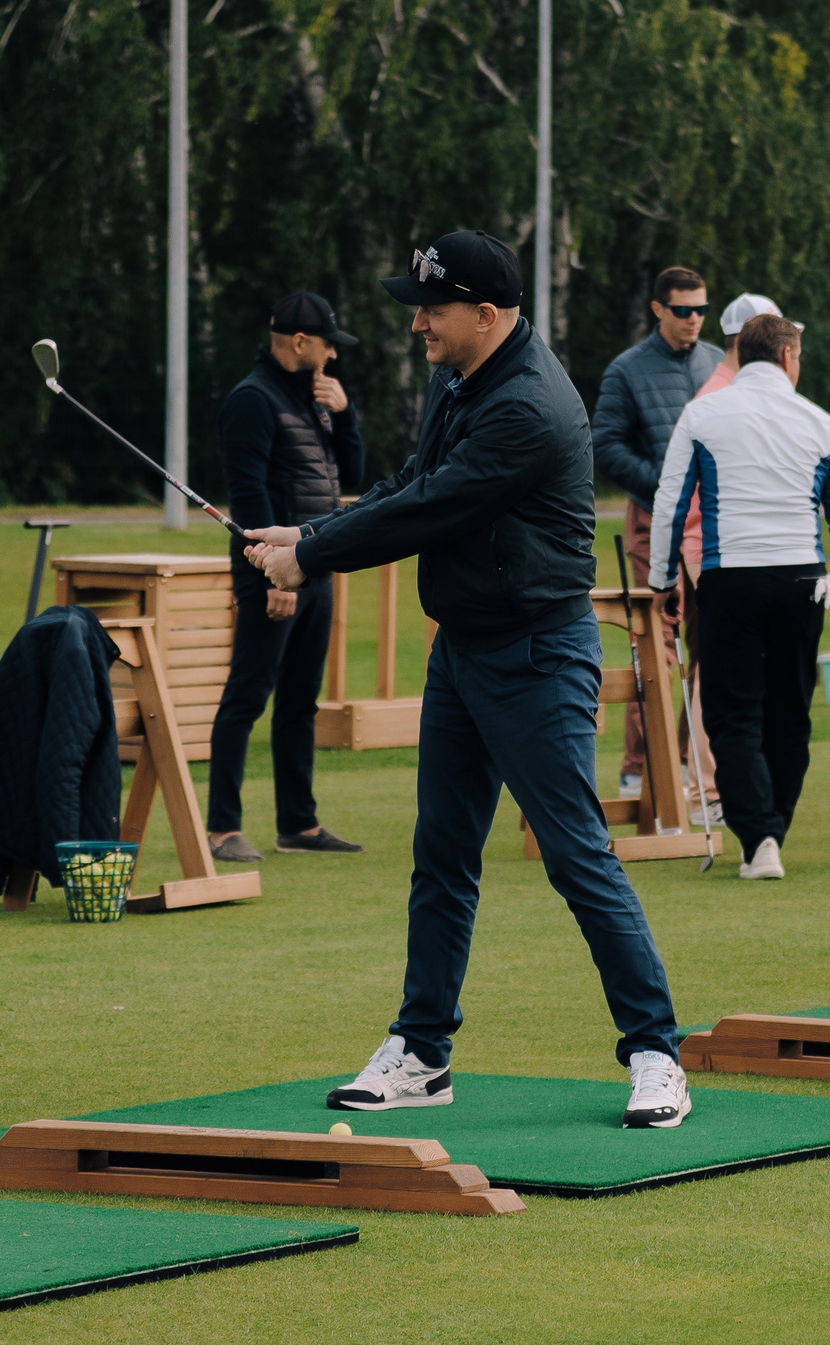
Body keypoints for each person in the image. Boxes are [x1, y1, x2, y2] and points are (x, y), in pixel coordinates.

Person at [243, 230, 690, 1130]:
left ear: (486, 314)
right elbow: (415, 480)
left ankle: (656, 1053)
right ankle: (422, 1050)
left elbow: (437, 506)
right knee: (442, 857)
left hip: (538, 655)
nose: (416, 325)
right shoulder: (460, 376)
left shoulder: (528, 403)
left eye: (432, 310)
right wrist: (310, 531)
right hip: (464, 650)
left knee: (576, 856)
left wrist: (314, 556)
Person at [650, 313, 830, 880]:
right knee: (789, 710)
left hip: (731, 579)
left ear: (740, 357)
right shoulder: (821, 422)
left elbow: (671, 502)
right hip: (803, 581)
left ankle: (759, 837)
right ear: (790, 358)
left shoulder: (702, 414)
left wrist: (660, 581)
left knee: (732, 712)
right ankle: (771, 831)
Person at [207, 293, 369, 861]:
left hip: (312, 565)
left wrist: (345, 414)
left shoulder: (315, 397)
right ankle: (222, 828)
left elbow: (351, 474)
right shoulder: (252, 401)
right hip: (270, 574)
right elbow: (249, 496)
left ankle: (297, 824)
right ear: (300, 343)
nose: (333, 355)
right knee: (247, 696)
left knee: (301, 700)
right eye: (328, 345)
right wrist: (274, 580)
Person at [592, 267, 716, 799]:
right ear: (659, 309)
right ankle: (638, 771)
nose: (693, 320)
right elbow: (606, 444)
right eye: (683, 310)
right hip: (652, 524)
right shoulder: (628, 369)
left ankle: (691, 769)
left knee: (705, 645)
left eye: (701, 310)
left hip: (710, 529)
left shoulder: (716, 363)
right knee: (654, 645)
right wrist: (667, 485)